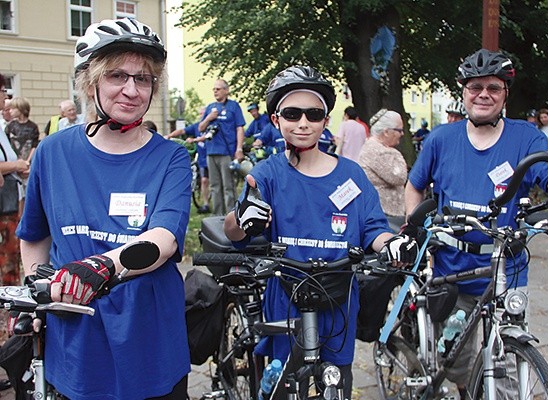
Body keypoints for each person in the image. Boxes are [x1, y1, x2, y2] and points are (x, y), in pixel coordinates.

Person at [16, 18, 192, 399]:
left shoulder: (171, 158)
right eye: (117, 76)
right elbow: (34, 236)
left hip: (151, 346)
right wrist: (37, 287)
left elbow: (162, 238)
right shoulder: (52, 152)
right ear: (90, 81)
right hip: (76, 346)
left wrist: (100, 266)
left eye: (143, 79)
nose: (131, 90)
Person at [404, 48, 548, 399]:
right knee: (456, 359)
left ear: (505, 93)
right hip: (454, 267)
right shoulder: (442, 139)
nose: (483, 94)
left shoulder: (524, 137)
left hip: (507, 267)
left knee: (505, 359)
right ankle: (465, 387)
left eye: (493, 87)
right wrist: (414, 231)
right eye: (475, 87)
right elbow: (414, 187)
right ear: (463, 92)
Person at [223, 65, 415, 399]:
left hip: (339, 297)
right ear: (275, 120)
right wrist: (241, 219)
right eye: (292, 113)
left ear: (326, 121)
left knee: (337, 383)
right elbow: (236, 233)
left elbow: (373, 228)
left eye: (313, 114)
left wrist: (393, 244)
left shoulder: (352, 176)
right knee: (284, 384)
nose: (303, 123)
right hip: (286, 297)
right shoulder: (266, 174)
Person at [0, 74, 30, 345]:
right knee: (7, 267)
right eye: (2, 92)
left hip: (10, 203)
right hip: (3, 207)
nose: (6, 98)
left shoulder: (2, 125)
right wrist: (16, 166)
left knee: (11, 266)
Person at [198, 79, 245, 215]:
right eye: (214, 89)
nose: (215, 91)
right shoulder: (210, 107)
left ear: (226, 90)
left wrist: (239, 149)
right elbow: (201, 127)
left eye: (218, 89)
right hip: (211, 151)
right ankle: (217, 215)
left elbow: (239, 128)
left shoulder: (233, 106)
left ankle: (232, 215)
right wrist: (209, 118)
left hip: (226, 152)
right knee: (214, 186)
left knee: (228, 186)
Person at [358, 108, 408, 218]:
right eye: (399, 130)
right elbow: (399, 177)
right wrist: (396, 154)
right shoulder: (379, 151)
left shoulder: (374, 147)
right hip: (384, 215)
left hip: (383, 213)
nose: (402, 134)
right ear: (386, 132)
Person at [5, 97, 40, 165]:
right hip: (13, 162)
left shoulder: (32, 127)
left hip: (28, 162)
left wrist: (28, 161)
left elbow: (34, 146)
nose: (10, 111)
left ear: (21, 109)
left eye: (13, 108)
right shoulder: (10, 126)